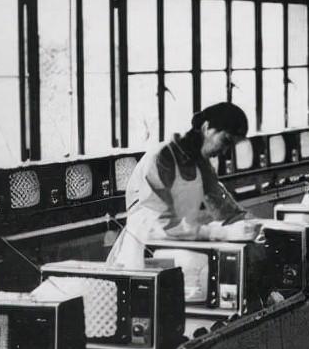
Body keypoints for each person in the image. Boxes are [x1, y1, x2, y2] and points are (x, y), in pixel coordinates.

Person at [108, 102, 256, 267]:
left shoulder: (202, 165)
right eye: (226, 141)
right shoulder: (162, 158)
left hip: (179, 248)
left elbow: (223, 207)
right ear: (207, 128)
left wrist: (252, 224)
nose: (225, 152)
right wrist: (220, 232)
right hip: (144, 253)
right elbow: (163, 225)